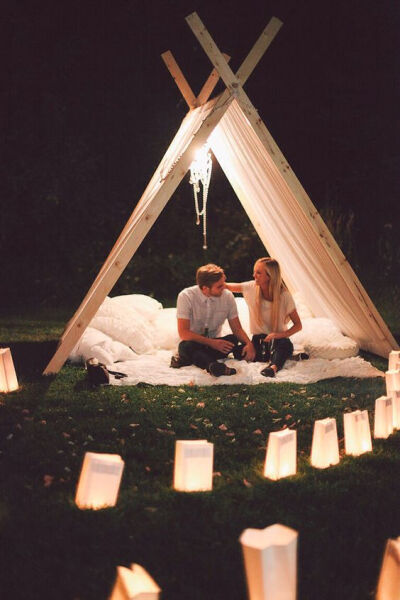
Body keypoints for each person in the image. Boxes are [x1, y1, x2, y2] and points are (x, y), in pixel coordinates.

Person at [171, 264, 256, 377]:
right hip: (194, 343)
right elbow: (184, 333)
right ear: (205, 288)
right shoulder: (186, 296)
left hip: (215, 343)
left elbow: (237, 328)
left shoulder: (228, 296)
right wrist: (212, 343)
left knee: (233, 339)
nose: (225, 287)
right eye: (220, 286)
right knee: (185, 346)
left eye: (224, 283)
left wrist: (249, 344)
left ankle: (189, 360)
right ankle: (212, 365)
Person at [225, 257, 302, 377]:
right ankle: (289, 357)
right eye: (254, 271)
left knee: (284, 346)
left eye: (258, 272)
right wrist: (210, 282)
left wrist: (278, 335)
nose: (254, 275)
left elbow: (298, 325)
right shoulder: (251, 287)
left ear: (269, 276)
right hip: (258, 341)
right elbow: (226, 286)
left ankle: (273, 367)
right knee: (239, 352)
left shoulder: (284, 295)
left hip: (278, 340)